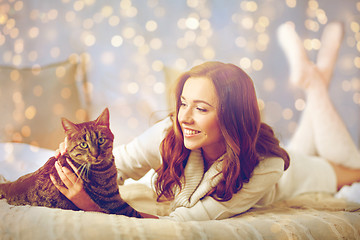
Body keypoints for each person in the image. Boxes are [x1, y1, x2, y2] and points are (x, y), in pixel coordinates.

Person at [52, 22, 360, 221]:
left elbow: (176, 225)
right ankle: (316, 79)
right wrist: (73, 166)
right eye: (183, 103)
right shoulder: (169, 132)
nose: (183, 117)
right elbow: (116, 165)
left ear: (231, 116)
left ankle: (315, 83)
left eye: (200, 108)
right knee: (309, 133)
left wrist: (89, 205)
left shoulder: (268, 166)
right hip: (278, 148)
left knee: (355, 167)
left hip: (297, 174)